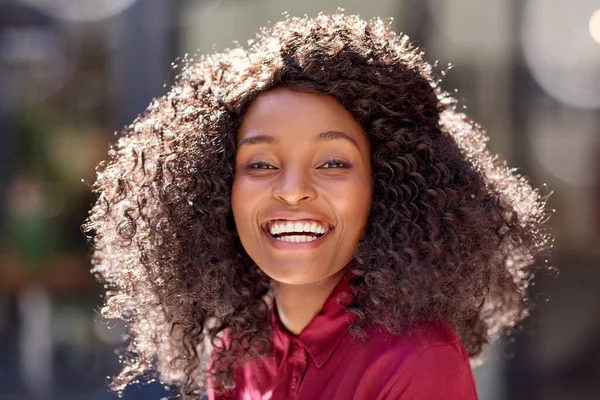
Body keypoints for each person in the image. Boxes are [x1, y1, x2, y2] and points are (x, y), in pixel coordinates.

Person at [83, 13, 553, 400]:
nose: (292, 190)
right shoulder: (235, 355)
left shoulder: (417, 362)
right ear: (217, 190)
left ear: (384, 188)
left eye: (332, 162)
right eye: (261, 163)